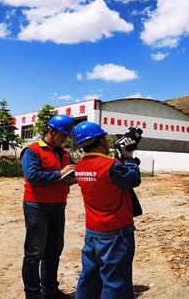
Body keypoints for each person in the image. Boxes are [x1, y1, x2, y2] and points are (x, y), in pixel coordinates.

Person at [73, 121, 141, 299]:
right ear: (101, 140)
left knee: (90, 277)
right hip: (116, 233)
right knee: (116, 281)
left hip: (93, 232)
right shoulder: (111, 167)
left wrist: (120, 159)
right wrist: (128, 157)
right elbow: (133, 179)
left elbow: (107, 177)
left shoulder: (80, 167)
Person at [20, 114, 76, 299]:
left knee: (53, 251)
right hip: (37, 207)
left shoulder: (65, 153)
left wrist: (72, 178)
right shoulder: (33, 152)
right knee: (34, 253)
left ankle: (50, 291)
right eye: (63, 135)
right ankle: (33, 295)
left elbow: (65, 177)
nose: (65, 139)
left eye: (67, 136)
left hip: (58, 207)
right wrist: (60, 173)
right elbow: (33, 176)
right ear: (51, 131)